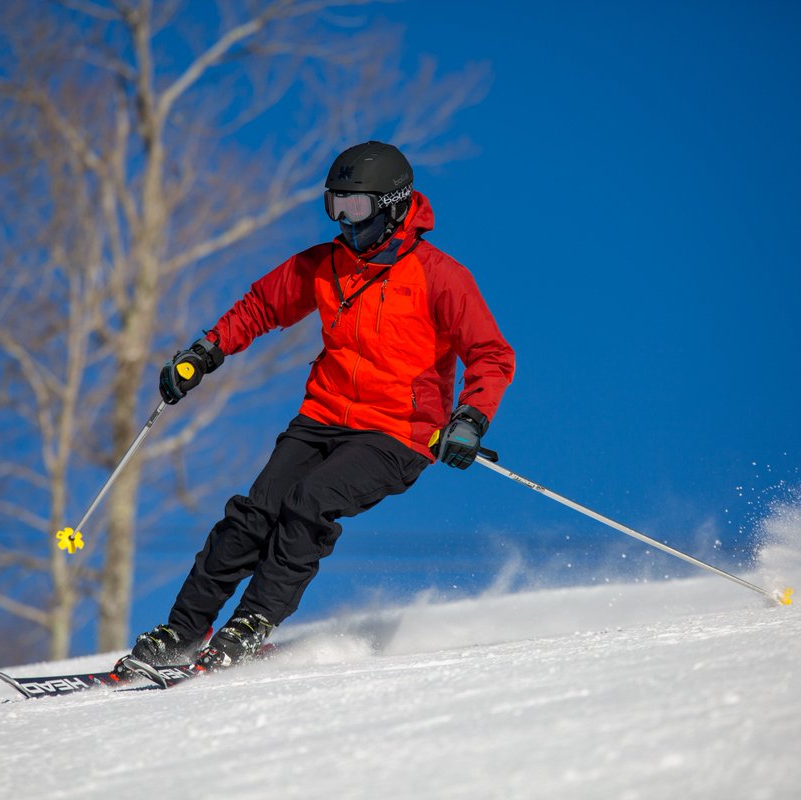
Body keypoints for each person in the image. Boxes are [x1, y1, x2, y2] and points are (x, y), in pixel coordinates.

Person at [128, 141, 515, 672]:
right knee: (253, 513)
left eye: (357, 207)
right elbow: (261, 305)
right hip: (323, 416)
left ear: (393, 206)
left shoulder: (439, 275)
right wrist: (206, 350)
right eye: (336, 205)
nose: (345, 221)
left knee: (309, 501)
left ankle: (252, 623)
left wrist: (469, 418)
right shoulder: (325, 265)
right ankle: (182, 631)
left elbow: (491, 354)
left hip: (398, 432)